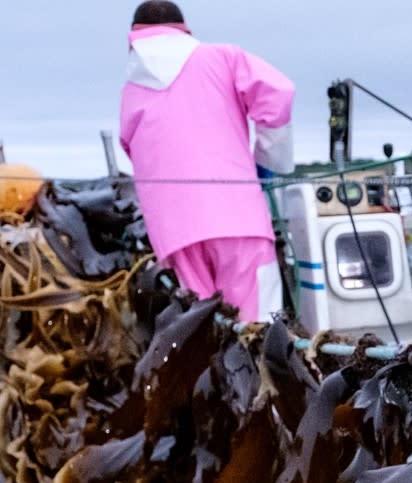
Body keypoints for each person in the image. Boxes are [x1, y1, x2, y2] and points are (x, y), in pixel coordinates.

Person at [119, 0, 294, 319]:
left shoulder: (132, 89)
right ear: (185, 30)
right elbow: (278, 93)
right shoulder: (223, 58)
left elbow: (131, 147)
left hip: (175, 236)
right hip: (240, 219)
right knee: (258, 328)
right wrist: (269, 159)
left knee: (205, 330)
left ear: (133, 38)